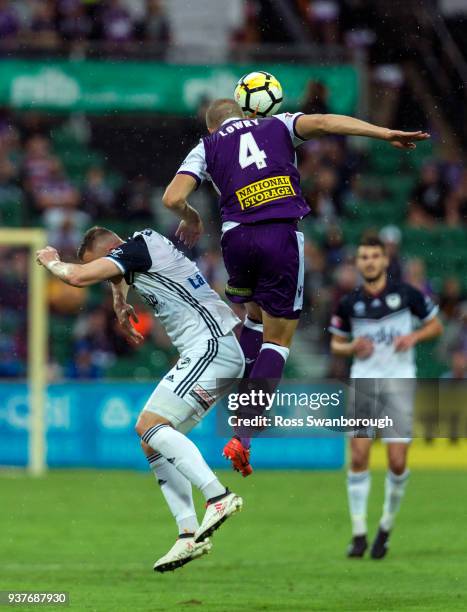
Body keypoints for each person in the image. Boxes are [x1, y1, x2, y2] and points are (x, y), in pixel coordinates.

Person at [162, 97, 430, 476]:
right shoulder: (277, 124)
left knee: (254, 319)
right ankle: (245, 432)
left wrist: (190, 217)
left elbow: (172, 198)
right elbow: (325, 122)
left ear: (211, 127)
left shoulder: (206, 146)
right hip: (278, 233)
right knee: (279, 338)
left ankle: (219, 393)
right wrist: (383, 133)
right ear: (247, 113)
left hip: (235, 238)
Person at [36, 226, 245, 573]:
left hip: (211, 346)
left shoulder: (136, 248)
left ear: (112, 252)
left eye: (107, 267)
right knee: (151, 442)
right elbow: (121, 272)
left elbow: (78, 277)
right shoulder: (141, 248)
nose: (110, 277)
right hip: (213, 351)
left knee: (149, 425)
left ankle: (218, 497)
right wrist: (120, 300)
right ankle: (187, 535)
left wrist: (53, 263)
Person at [329, 236, 443, 559]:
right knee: (359, 456)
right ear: (358, 262)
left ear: (384, 260)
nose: (369, 261)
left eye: (374, 256)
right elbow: (336, 343)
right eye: (363, 256)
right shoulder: (348, 302)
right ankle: (359, 533)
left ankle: (386, 527)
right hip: (364, 383)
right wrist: (351, 347)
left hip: (399, 383)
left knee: (396, 461)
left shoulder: (406, 294)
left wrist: (414, 336)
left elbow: (436, 325)